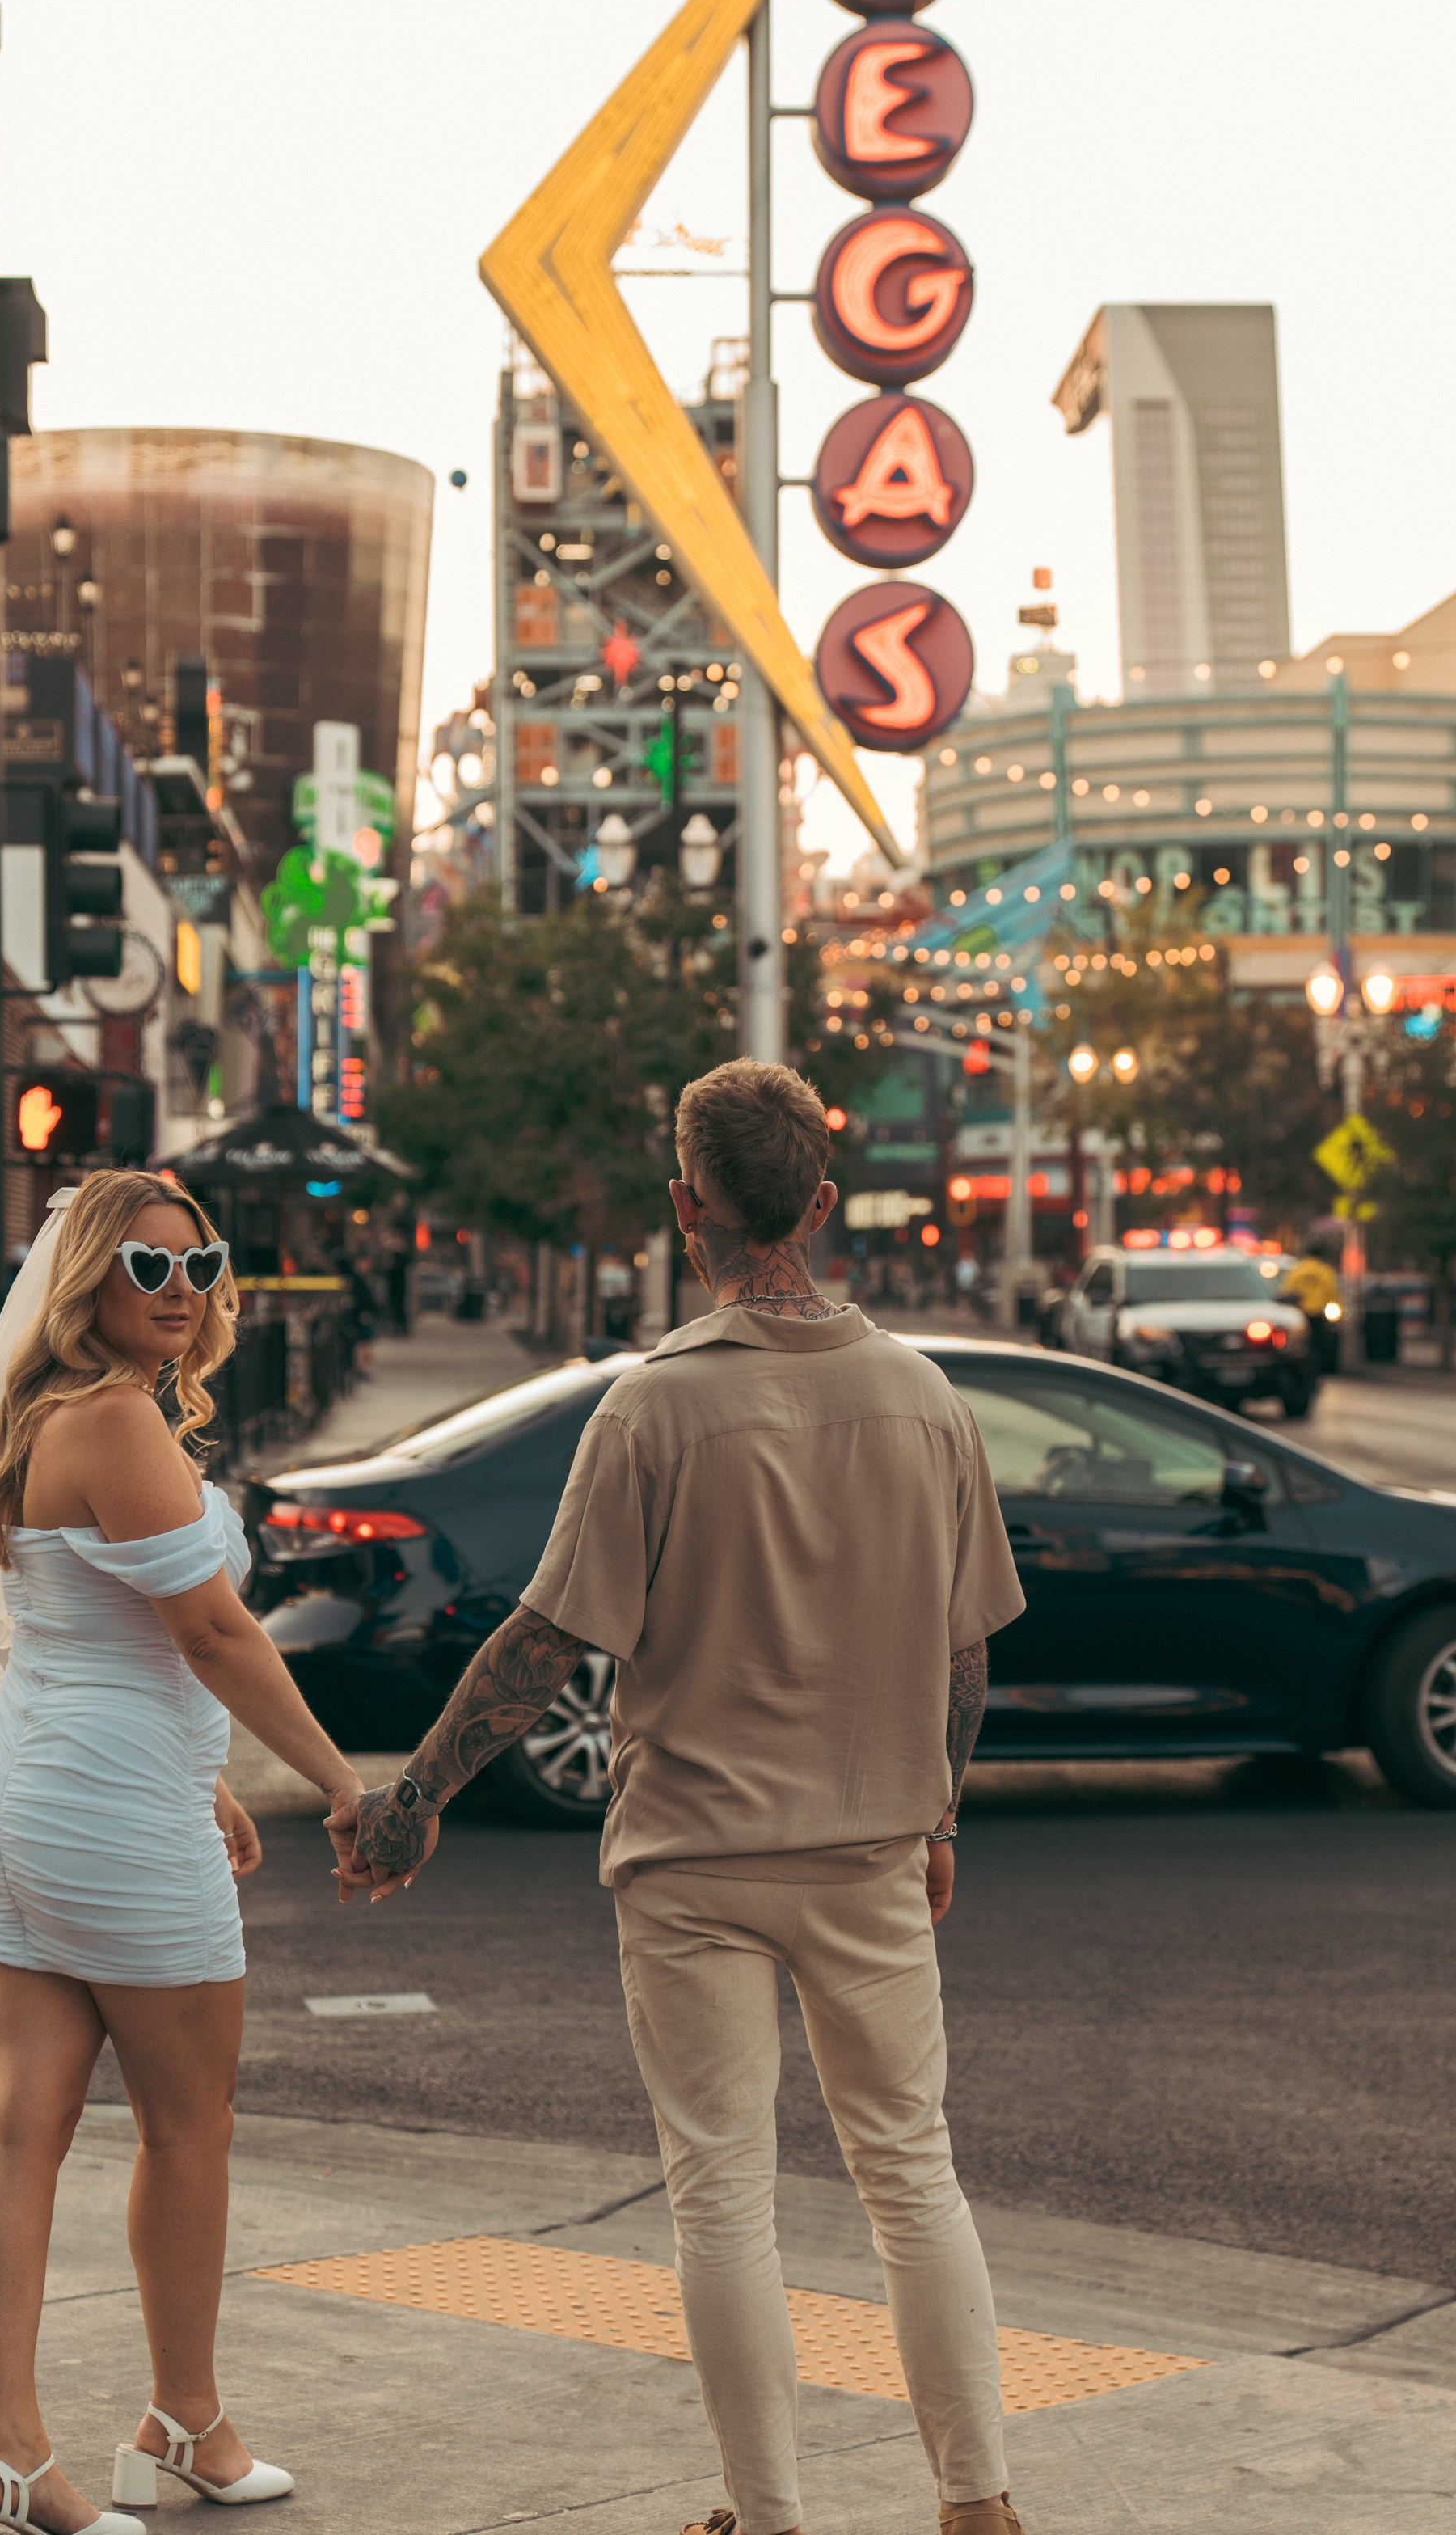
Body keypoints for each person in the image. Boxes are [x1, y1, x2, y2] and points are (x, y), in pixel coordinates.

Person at [343, 1060, 1029, 2535]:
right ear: (823, 1204)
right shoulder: (926, 1401)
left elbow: (541, 1648)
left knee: (723, 2192)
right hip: (869, 1851)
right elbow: (965, 1654)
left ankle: (767, 2516)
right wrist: (944, 1813)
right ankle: (976, 2502)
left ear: (685, 1207)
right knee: (913, 2175)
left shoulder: (649, 1414)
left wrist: (415, 1797)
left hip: (693, 1862)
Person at [0, 1172, 371, 2535]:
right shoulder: (113, 1420)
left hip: (34, 1796)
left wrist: (199, 1780)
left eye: (200, 1263)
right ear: (85, 1276)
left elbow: (94, 1629)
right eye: (149, 1268)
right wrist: (338, 1782)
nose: (183, 1290)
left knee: (17, 2123)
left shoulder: (52, 1415)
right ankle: (185, 2425)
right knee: (186, 2126)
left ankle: (9, 2459)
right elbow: (212, 1635)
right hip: (106, 1813)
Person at [1281, 1241, 1343, 1373]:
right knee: (1323, 1342)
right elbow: (1333, 1293)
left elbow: (1287, 1290)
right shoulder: (1325, 1271)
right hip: (1320, 1313)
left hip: (1300, 1313)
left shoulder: (1297, 1270)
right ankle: (1322, 1367)